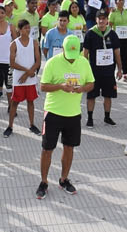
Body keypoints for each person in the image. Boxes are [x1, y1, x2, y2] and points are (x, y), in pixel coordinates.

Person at [34, 36, 93, 200]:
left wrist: (82, 88)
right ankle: (44, 182)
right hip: (53, 112)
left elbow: (91, 83)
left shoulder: (83, 62)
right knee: (47, 149)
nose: (71, 58)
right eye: (68, 54)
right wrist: (60, 86)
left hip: (73, 113)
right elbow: (43, 86)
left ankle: (64, 179)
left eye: (74, 55)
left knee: (69, 148)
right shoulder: (53, 62)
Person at [5, 20, 43, 137]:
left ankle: (32, 125)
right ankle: (10, 126)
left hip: (29, 77)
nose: (28, 30)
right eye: (25, 28)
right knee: (15, 102)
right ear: (20, 30)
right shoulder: (14, 44)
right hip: (19, 78)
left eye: (29, 27)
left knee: (30, 101)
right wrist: (27, 71)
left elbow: (38, 60)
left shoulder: (34, 42)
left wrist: (28, 73)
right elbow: (12, 63)